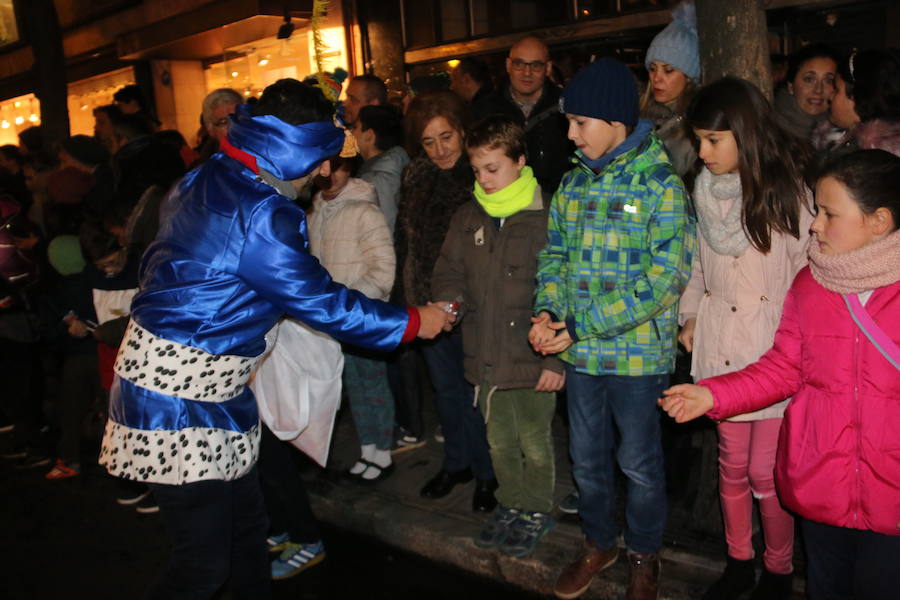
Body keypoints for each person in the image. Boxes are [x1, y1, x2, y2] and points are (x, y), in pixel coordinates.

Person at [96, 78, 449, 599]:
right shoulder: (263, 211)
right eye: (322, 157)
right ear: (290, 150)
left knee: (244, 541)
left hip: (205, 391)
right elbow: (324, 302)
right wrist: (414, 321)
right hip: (178, 402)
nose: (327, 170)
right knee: (203, 565)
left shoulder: (211, 174)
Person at [660, 149, 900, 600]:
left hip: (893, 500)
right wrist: (712, 395)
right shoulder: (811, 284)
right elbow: (783, 368)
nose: (814, 224)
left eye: (829, 213)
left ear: (878, 221)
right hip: (822, 485)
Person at [529, 57, 695, 600]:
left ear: (615, 124)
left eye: (580, 123)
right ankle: (599, 543)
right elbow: (553, 255)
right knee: (587, 457)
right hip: (581, 356)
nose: (571, 134)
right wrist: (550, 312)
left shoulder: (660, 185)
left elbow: (665, 279)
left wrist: (580, 325)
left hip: (636, 360)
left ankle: (644, 555)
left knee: (640, 464)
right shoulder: (574, 183)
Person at [680, 77, 814, 600]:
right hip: (720, 349)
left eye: (714, 140)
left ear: (745, 133)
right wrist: (689, 317)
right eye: (698, 141)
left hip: (773, 353)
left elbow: (809, 273)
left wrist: (802, 342)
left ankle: (778, 569)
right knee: (731, 465)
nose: (703, 152)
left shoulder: (790, 195)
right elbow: (697, 264)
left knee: (767, 471)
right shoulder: (703, 192)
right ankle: (739, 560)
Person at [431, 115, 564, 557]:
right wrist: (449, 304)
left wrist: (555, 361)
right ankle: (510, 503)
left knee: (535, 442)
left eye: (493, 169)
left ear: (520, 161)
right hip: (485, 354)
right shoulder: (469, 216)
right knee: (498, 442)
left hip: (532, 354)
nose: (484, 180)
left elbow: (566, 287)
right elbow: (449, 272)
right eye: (477, 171)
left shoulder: (547, 214)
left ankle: (537, 508)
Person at [398, 89, 497, 512]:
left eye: (446, 137)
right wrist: (413, 299)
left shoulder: (483, 174)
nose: (439, 149)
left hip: (474, 309)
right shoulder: (416, 176)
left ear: (462, 131)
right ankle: (457, 463)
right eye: (428, 141)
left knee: (477, 395)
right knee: (446, 392)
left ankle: (488, 474)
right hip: (428, 307)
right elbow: (410, 242)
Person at [308, 151, 397, 482]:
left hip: (361, 314)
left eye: (340, 167)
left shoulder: (364, 210)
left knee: (372, 381)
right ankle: (368, 447)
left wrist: (350, 303)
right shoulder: (316, 209)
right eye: (324, 168)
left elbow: (383, 269)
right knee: (352, 384)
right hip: (332, 317)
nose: (330, 175)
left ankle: (384, 451)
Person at [478, 36, 571, 193]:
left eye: (536, 65)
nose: (527, 73)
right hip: (503, 204)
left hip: (556, 204)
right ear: (508, 65)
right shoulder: (485, 110)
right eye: (519, 64)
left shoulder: (567, 107)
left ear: (548, 68)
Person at [640, 0, 700, 178]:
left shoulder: (697, 126)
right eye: (652, 68)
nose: (657, 78)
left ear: (689, 77)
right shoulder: (640, 118)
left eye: (668, 70)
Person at [825, 48, 900, 158]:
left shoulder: (876, 159)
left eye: (836, 89)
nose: (830, 96)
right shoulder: (837, 139)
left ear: (859, 97)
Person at [351, 104, 408, 234]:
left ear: (369, 136)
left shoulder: (378, 179)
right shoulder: (383, 169)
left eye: (355, 127)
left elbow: (386, 229)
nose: (351, 133)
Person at [774, 44, 840, 147]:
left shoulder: (845, 135)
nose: (818, 90)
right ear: (791, 86)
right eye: (809, 79)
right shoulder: (768, 128)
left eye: (829, 81)